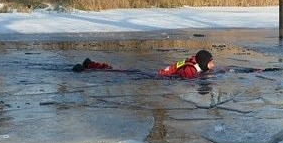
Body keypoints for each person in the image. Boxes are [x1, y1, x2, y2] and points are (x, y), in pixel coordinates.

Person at [73, 49, 214, 80]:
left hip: (155, 73)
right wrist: (199, 79)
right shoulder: (190, 69)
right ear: (203, 62)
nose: (213, 64)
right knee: (117, 72)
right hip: (153, 76)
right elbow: (184, 76)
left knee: (117, 70)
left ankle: (91, 64)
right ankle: (86, 69)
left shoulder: (193, 63)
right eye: (211, 62)